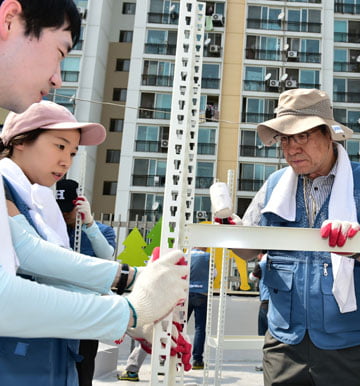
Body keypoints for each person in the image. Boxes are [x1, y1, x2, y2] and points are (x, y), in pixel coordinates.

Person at [0, 0, 187, 362]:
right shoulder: (10, 187)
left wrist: (126, 290)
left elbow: (37, 259)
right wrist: (130, 309)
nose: (58, 78)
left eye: (72, 153)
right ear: (10, 18)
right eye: (59, 52)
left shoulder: (36, 197)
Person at [227, 88, 360, 386]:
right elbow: (247, 251)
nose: (291, 148)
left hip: (353, 345)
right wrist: (232, 233)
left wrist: (355, 249)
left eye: (301, 136)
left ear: (328, 135)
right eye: (284, 139)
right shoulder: (274, 186)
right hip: (285, 341)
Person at [118, 247, 213, 381]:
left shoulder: (183, 257)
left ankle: (132, 370)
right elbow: (213, 274)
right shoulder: (207, 257)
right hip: (194, 296)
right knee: (191, 330)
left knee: (149, 337)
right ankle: (192, 361)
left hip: (171, 299)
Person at [56, 178, 117, 385]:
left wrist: (89, 224)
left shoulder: (102, 231)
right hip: (55, 310)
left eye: (67, 211)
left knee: (83, 369)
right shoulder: (52, 229)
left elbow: (107, 258)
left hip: (87, 312)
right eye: (59, 210)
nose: (64, 216)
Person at [248, 252, 269, 372]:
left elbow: (252, 277)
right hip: (279, 303)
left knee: (266, 336)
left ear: (261, 254)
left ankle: (265, 363)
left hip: (266, 303)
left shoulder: (261, 264)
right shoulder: (277, 262)